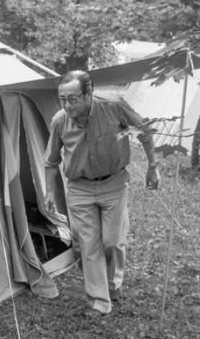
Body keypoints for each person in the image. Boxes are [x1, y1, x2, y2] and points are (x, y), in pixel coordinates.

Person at [44, 70, 159, 315]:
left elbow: (145, 131)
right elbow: (51, 162)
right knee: (89, 245)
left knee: (113, 241)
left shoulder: (114, 107)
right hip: (79, 188)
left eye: (73, 99)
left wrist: (153, 167)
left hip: (113, 184)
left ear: (88, 94)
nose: (67, 105)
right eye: (62, 99)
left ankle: (112, 286)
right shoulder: (59, 121)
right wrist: (50, 192)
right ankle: (99, 301)